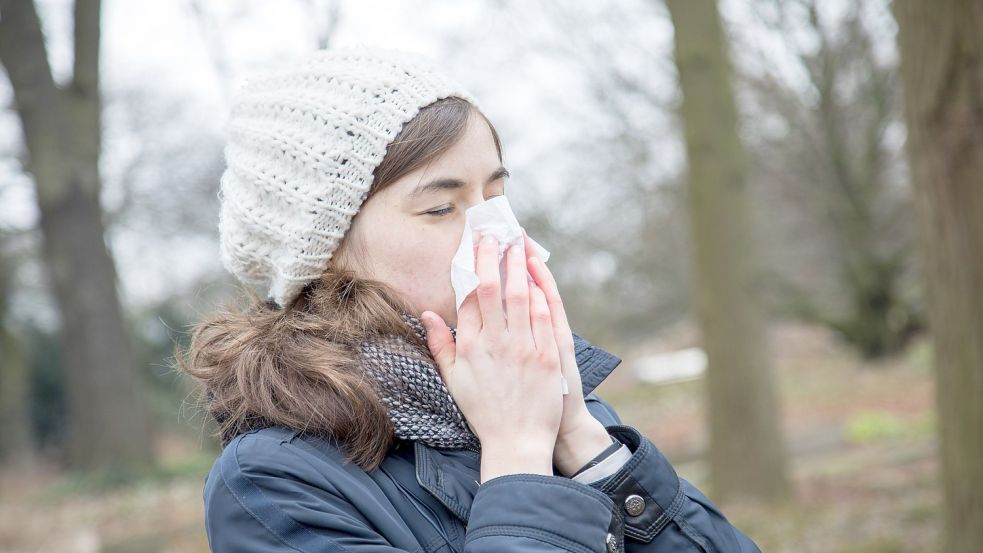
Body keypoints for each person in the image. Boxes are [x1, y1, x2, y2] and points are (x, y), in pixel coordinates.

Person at [177, 45, 761, 553]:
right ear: (325, 251)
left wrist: (584, 442)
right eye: (441, 207)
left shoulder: (544, 401)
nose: (498, 234)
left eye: (496, 195)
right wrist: (516, 454)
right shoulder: (272, 483)